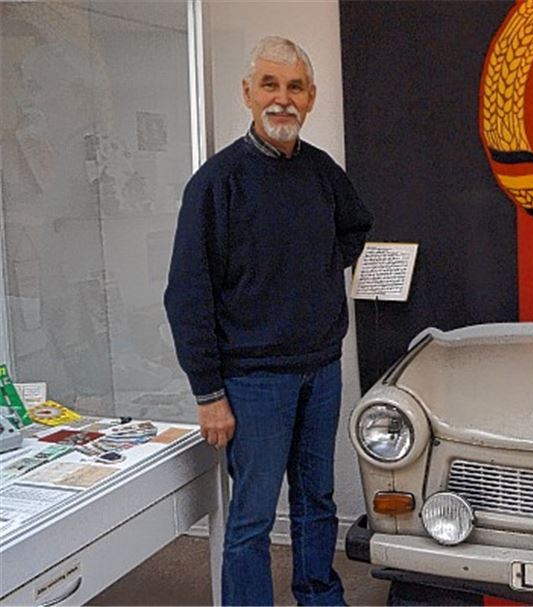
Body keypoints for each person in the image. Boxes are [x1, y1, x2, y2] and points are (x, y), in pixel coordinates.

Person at [164, 36, 372, 606]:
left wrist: (319, 271)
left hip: (320, 372)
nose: (283, 99)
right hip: (252, 383)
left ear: (311, 98)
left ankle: (319, 595)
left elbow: (355, 227)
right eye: (270, 86)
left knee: (317, 500)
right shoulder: (216, 184)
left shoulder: (322, 173)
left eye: (295, 88)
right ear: (248, 94)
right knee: (253, 518)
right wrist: (209, 394)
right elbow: (186, 295)